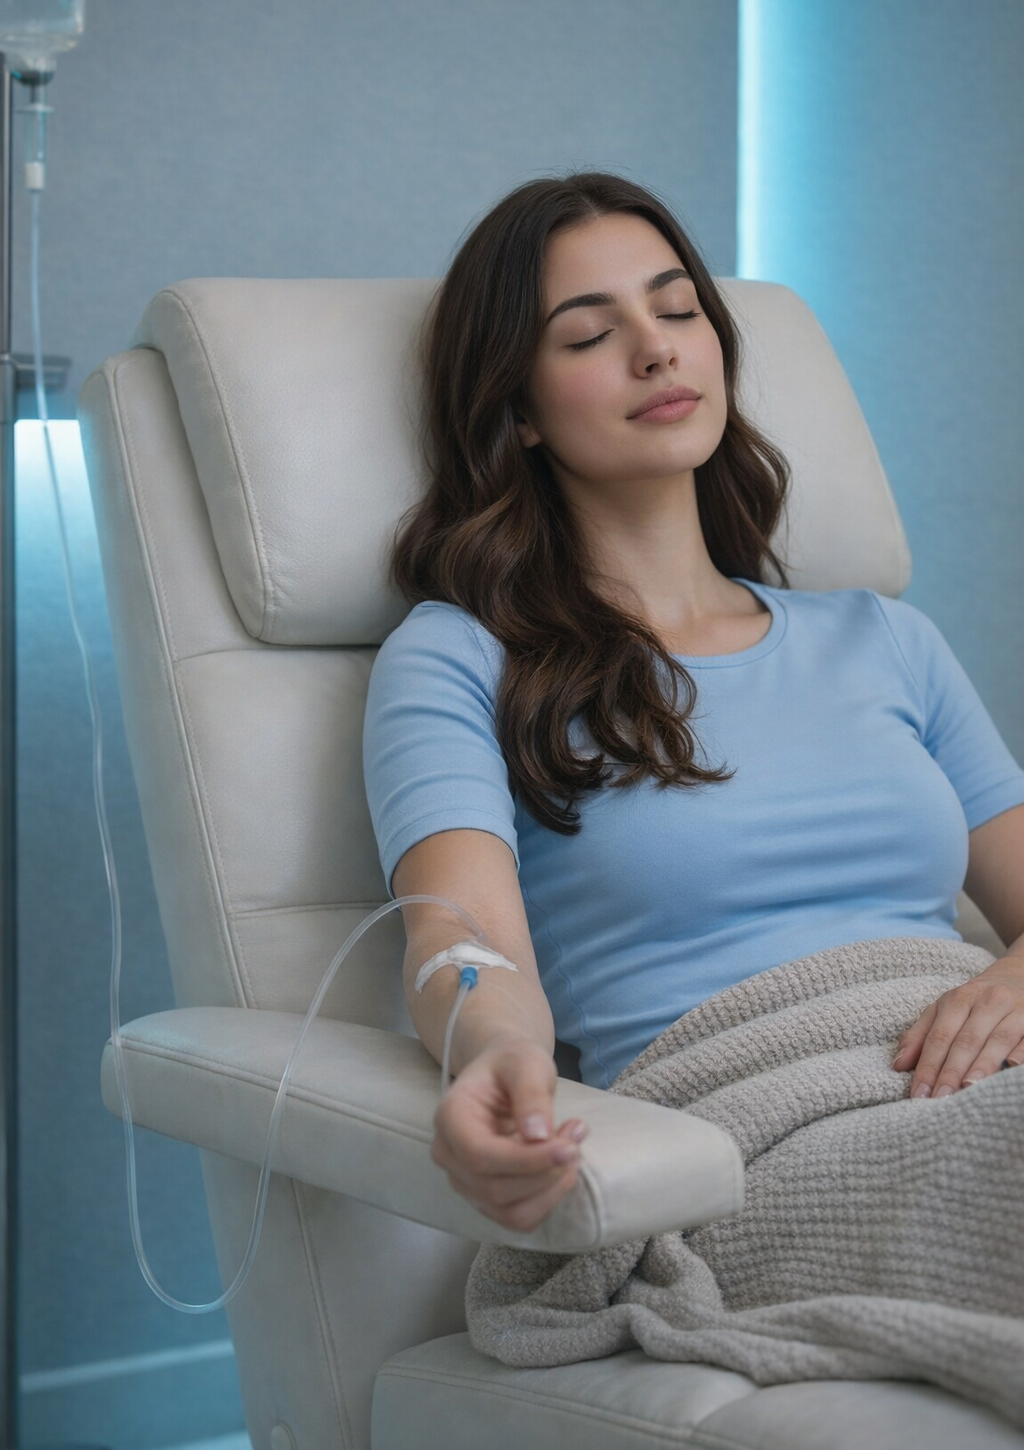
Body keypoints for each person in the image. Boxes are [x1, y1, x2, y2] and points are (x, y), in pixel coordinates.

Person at [362, 171, 1024, 1237]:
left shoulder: (887, 638)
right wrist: (498, 1058)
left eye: (678, 311)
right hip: (753, 1137)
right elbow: (461, 940)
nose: (656, 350)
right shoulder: (463, 656)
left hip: (975, 1088)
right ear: (518, 410)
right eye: (589, 335)